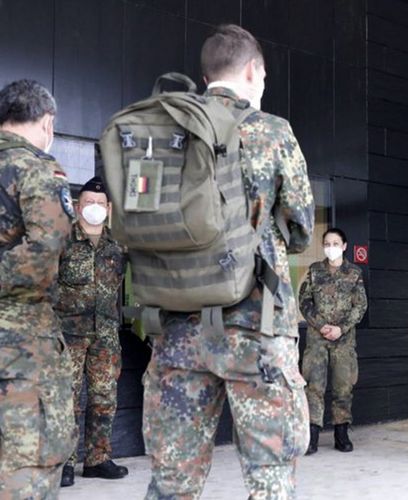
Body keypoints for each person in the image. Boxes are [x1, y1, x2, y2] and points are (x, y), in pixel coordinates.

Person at [140, 24, 314, 499]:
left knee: (172, 480)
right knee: (270, 476)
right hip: (255, 327)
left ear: (206, 73)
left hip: (177, 329)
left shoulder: (167, 127)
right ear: (254, 71)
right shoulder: (272, 132)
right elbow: (300, 229)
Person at [0, 79, 78, 499]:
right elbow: (47, 250)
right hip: (22, 346)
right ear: (46, 122)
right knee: (28, 468)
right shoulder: (37, 168)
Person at [55, 176, 127, 487]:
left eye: (100, 204)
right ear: (76, 206)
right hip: (68, 333)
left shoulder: (118, 245)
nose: (94, 208)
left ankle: (97, 459)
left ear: (108, 208)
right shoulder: (62, 240)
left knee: (104, 397)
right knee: (66, 398)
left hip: (106, 333)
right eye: (88, 203)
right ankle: (64, 463)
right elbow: (46, 282)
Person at [298, 228, 368, 454]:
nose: (331, 247)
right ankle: (312, 435)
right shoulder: (314, 271)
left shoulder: (354, 273)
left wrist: (341, 328)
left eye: (336, 243)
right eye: (327, 243)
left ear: (345, 246)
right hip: (317, 338)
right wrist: (321, 325)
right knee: (313, 386)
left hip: (344, 339)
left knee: (343, 386)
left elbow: (361, 305)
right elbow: (305, 300)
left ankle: (341, 433)